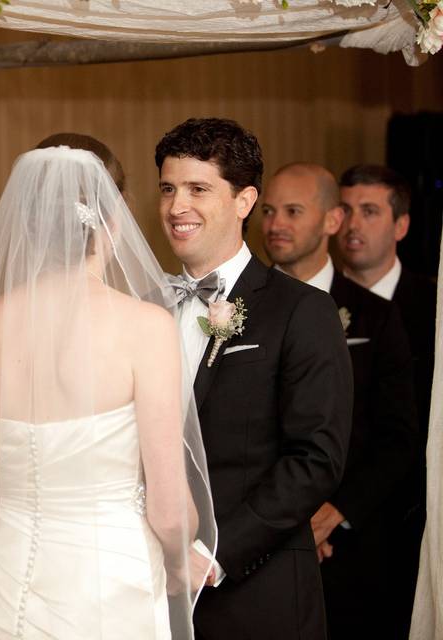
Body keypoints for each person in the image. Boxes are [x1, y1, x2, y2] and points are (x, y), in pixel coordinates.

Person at [0, 138, 216, 639]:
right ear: (114, 221)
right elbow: (169, 506)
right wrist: (181, 567)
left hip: (5, 594)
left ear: (25, 223)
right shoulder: (145, 326)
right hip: (112, 590)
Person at [154, 118, 352, 640]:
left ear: (244, 201)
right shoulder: (142, 311)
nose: (177, 207)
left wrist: (212, 556)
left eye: (199, 189)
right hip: (147, 591)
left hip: (254, 594)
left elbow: (315, 459)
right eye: (169, 189)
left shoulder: (300, 310)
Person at [261, 162, 418, 639]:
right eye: (268, 211)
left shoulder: (376, 316)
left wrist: (334, 513)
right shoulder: (238, 309)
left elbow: (398, 436)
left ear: (331, 221)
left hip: (354, 548)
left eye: (292, 211)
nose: (275, 225)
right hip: (259, 537)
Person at [336, 164, 437, 634]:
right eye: (346, 210)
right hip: (334, 528)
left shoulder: (433, 306)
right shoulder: (311, 303)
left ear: (401, 225)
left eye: (370, 212)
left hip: (417, 521)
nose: (353, 225)